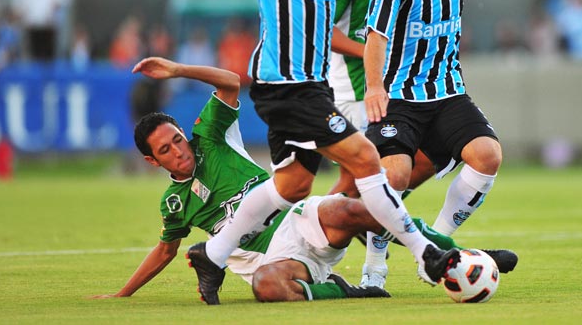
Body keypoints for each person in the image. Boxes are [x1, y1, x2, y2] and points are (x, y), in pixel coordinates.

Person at [109, 0, 458, 305]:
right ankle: (425, 252)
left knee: (293, 185)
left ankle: (213, 255)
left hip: (312, 84)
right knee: (367, 159)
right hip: (284, 83)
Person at [91, 56, 477, 304]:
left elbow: (229, 81)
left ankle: (457, 254)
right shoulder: (174, 203)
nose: (179, 150)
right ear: (152, 160)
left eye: (177, 139)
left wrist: (178, 70)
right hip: (277, 260)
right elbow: (165, 251)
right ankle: (344, 291)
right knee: (266, 286)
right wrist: (122, 295)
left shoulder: (209, 136)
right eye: (166, 150)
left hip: (299, 219)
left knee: (353, 208)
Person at [364, 0, 508, 285]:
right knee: (394, 177)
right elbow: (376, 34)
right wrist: (374, 87)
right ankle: (373, 268)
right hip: (399, 96)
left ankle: (436, 251)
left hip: (447, 91)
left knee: (487, 155)